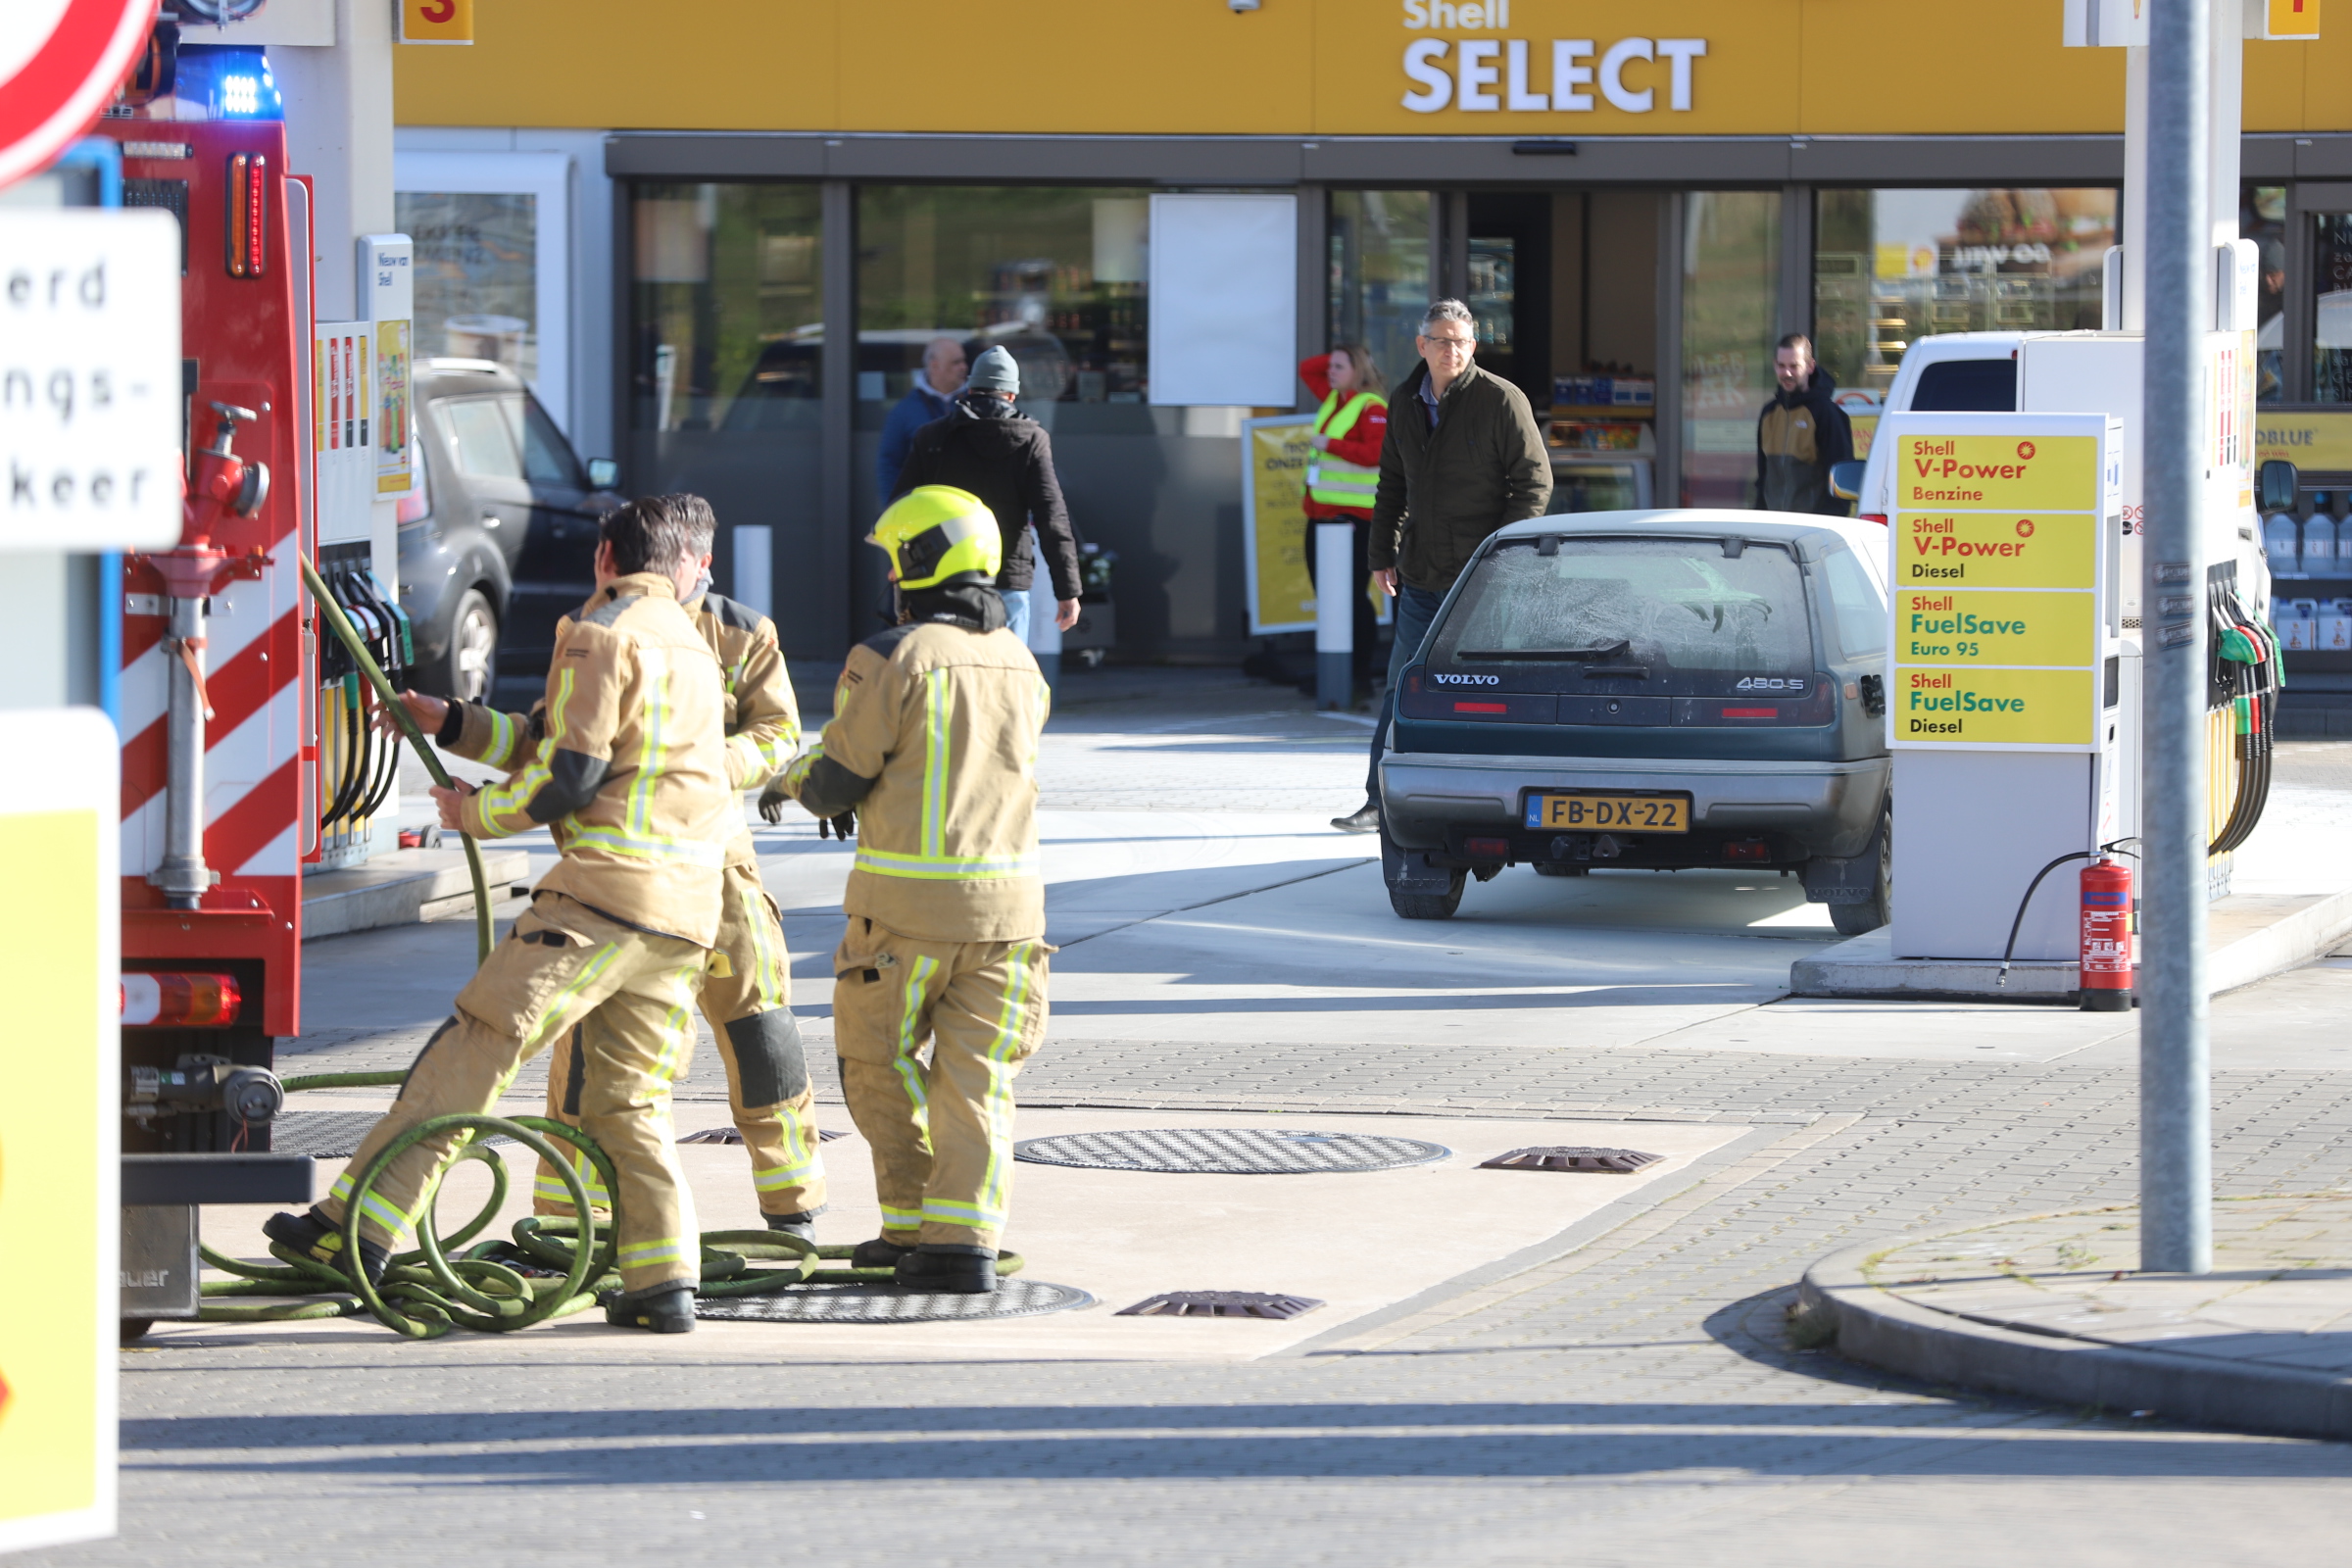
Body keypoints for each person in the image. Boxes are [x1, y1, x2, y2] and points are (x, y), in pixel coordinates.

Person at [265, 495, 735, 1335]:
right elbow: (552, 742)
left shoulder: (602, 633)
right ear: (683, 564)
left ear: (604, 556)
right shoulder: (693, 647)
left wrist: (474, 815)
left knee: (476, 1046)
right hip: (684, 916)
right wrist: (449, 722)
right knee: (629, 1103)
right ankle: (664, 1282)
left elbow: (570, 779)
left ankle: (353, 1232)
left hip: (602, 899)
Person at [383, 500, 830, 1245]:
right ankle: (568, 1224)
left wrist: (698, 766)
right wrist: (453, 721)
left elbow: (779, 733)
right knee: (591, 1058)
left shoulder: (740, 633)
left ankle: (793, 1206)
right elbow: (551, 743)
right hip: (628, 877)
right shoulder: (599, 627)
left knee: (760, 1034)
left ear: (700, 565)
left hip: (721, 873)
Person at [760, 485, 1052, 1295]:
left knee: (874, 1061)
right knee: (978, 1079)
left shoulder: (890, 656)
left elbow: (836, 777)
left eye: (895, 561)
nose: (890, 577)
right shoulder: (1021, 663)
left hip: (905, 920)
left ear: (918, 564)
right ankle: (962, 1243)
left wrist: (790, 781)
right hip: (1014, 919)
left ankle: (910, 1222)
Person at [1336, 300, 1552, 834]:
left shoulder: (1501, 400)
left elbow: (1534, 484)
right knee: (1400, 691)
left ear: (1473, 346)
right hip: (1421, 576)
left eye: (1461, 341)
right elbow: (1390, 485)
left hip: (1484, 583)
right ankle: (1378, 800)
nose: (1451, 350)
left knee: (1489, 692)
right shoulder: (1406, 402)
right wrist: (1380, 555)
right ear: (1421, 346)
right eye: (1441, 340)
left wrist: (1500, 558)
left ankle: (1502, 800)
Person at [891, 343, 1082, 642]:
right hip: (1008, 577)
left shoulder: (932, 436)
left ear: (970, 389)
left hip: (943, 577)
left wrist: (900, 565)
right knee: (1006, 676)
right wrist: (1067, 590)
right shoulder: (1031, 439)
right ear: (1011, 395)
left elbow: (902, 506)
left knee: (949, 672)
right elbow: (1051, 516)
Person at [1299, 343, 1390, 688]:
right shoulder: (1335, 399)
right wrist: (1345, 356)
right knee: (1330, 594)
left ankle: (1357, 674)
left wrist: (1330, 445)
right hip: (1322, 513)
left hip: (1356, 518)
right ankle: (1339, 674)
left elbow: (1375, 454)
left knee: (1351, 597)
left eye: (1339, 367)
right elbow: (1308, 367)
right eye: (1332, 366)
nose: (1330, 372)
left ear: (1359, 371)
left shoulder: (1371, 406)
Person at [1754, 333, 1854, 515]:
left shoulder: (1827, 414)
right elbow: (1763, 479)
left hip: (1811, 528)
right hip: (1771, 526)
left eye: (1794, 366)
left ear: (1810, 366)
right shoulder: (1768, 413)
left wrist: (1827, 526)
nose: (1787, 373)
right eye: (1781, 366)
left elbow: (1842, 485)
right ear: (1774, 365)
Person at [877, 336, 967, 499]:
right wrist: (892, 510)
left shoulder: (976, 403)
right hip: (923, 508)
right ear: (934, 366)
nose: (964, 367)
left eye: (963, 361)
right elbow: (889, 466)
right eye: (956, 362)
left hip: (969, 507)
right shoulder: (904, 411)